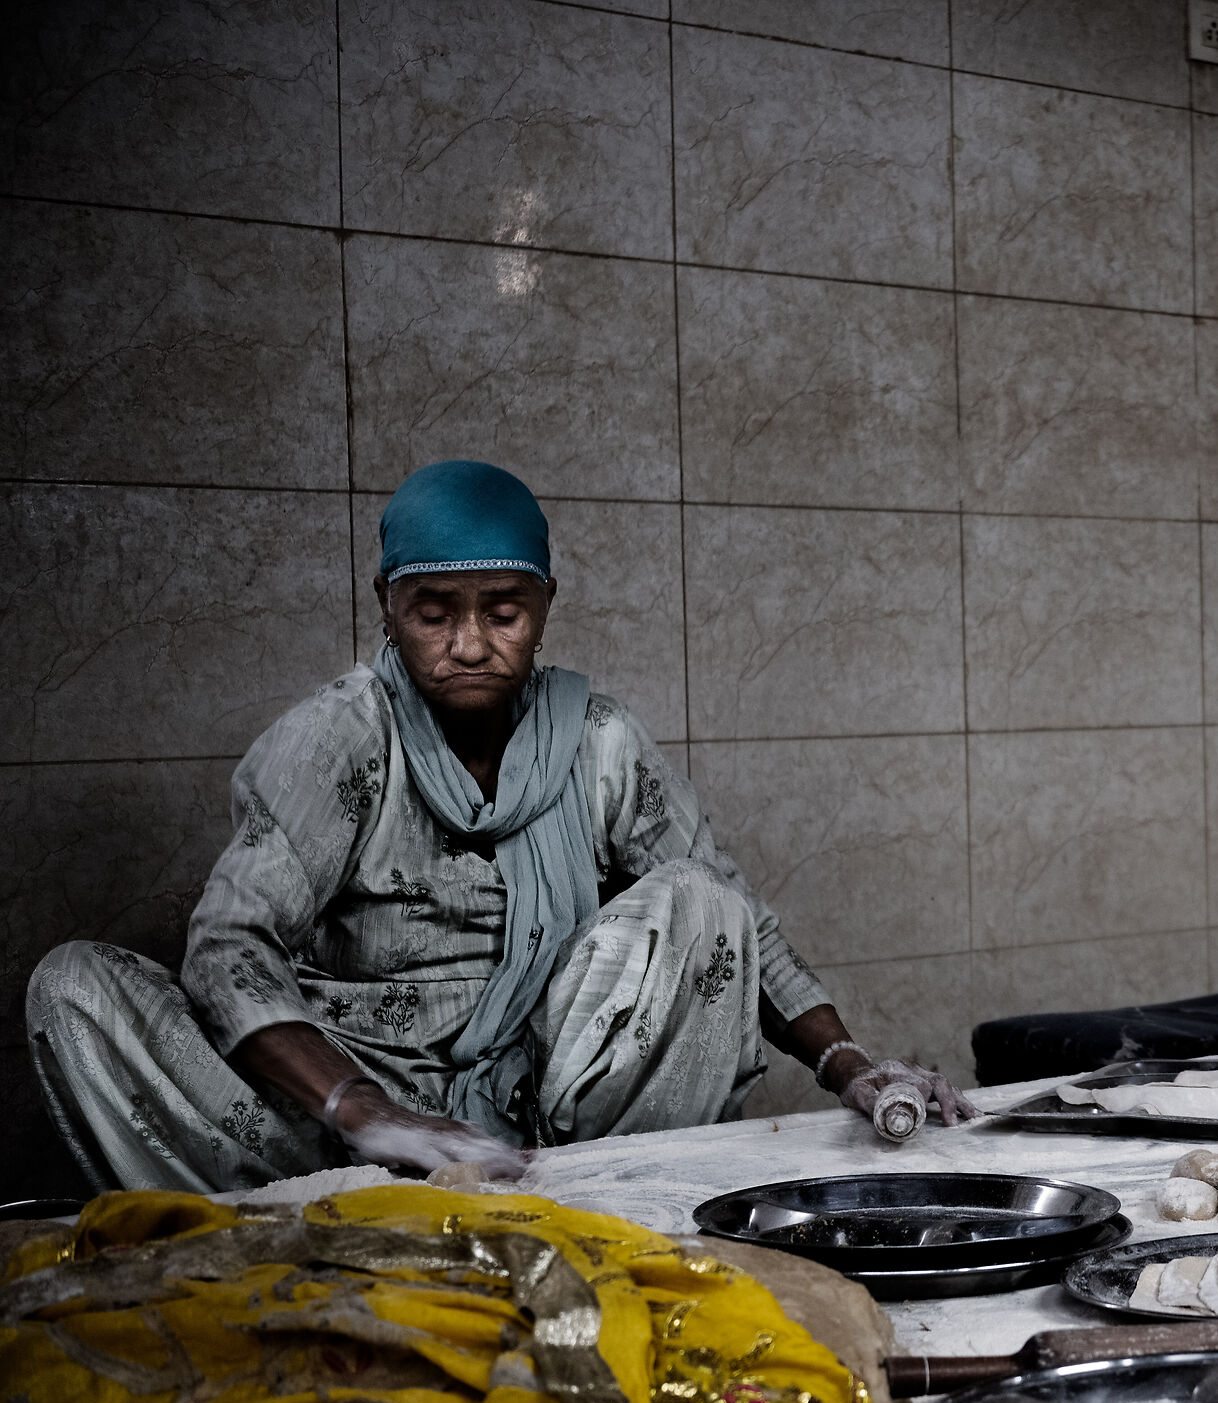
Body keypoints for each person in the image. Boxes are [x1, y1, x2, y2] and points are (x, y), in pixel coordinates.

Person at [27, 460, 970, 1193]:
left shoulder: (596, 740)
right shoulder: (338, 739)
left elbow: (739, 922)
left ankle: (590, 1198)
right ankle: (337, 1204)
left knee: (701, 898)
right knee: (73, 986)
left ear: (545, 611)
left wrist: (847, 1062)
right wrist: (369, 1112)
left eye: (504, 612)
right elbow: (229, 947)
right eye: (435, 614)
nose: (471, 643)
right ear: (387, 611)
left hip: (549, 1109)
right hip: (341, 1108)